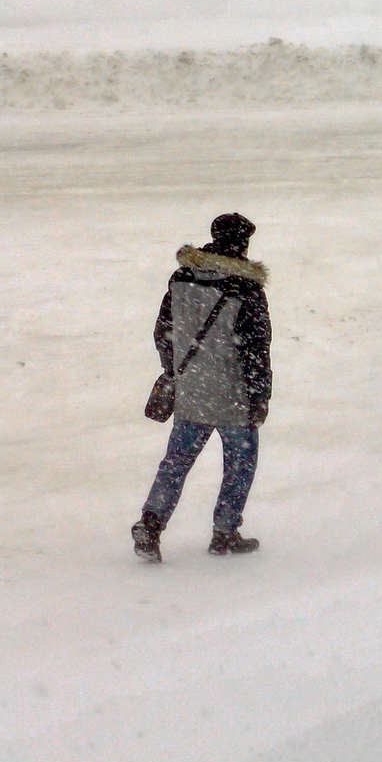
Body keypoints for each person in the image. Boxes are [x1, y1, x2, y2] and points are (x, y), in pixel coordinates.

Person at [132, 213, 272, 562]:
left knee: (176, 462)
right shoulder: (246, 289)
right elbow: (256, 350)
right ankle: (225, 533)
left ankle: (151, 524)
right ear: (243, 244)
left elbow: (162, 332)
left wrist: (174, 372)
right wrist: (259, 396)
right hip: (234, 396)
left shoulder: (181, 277)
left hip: (192, 390)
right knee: (240, 463)